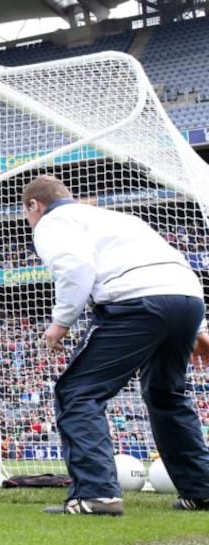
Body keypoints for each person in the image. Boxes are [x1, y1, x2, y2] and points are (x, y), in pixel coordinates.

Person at [22, 174, 209, 515]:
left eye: (28, 214)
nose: (30, 221)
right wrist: (199, 326)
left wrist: (60, 324)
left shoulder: (52, 222)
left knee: (77, 392)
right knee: (166, 394)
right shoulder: (119, 218)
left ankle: (97, 494)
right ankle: (202, 489)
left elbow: (77, 268)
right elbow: (174, 263)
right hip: (187, 297)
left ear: (35, 205)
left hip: (135, 303)